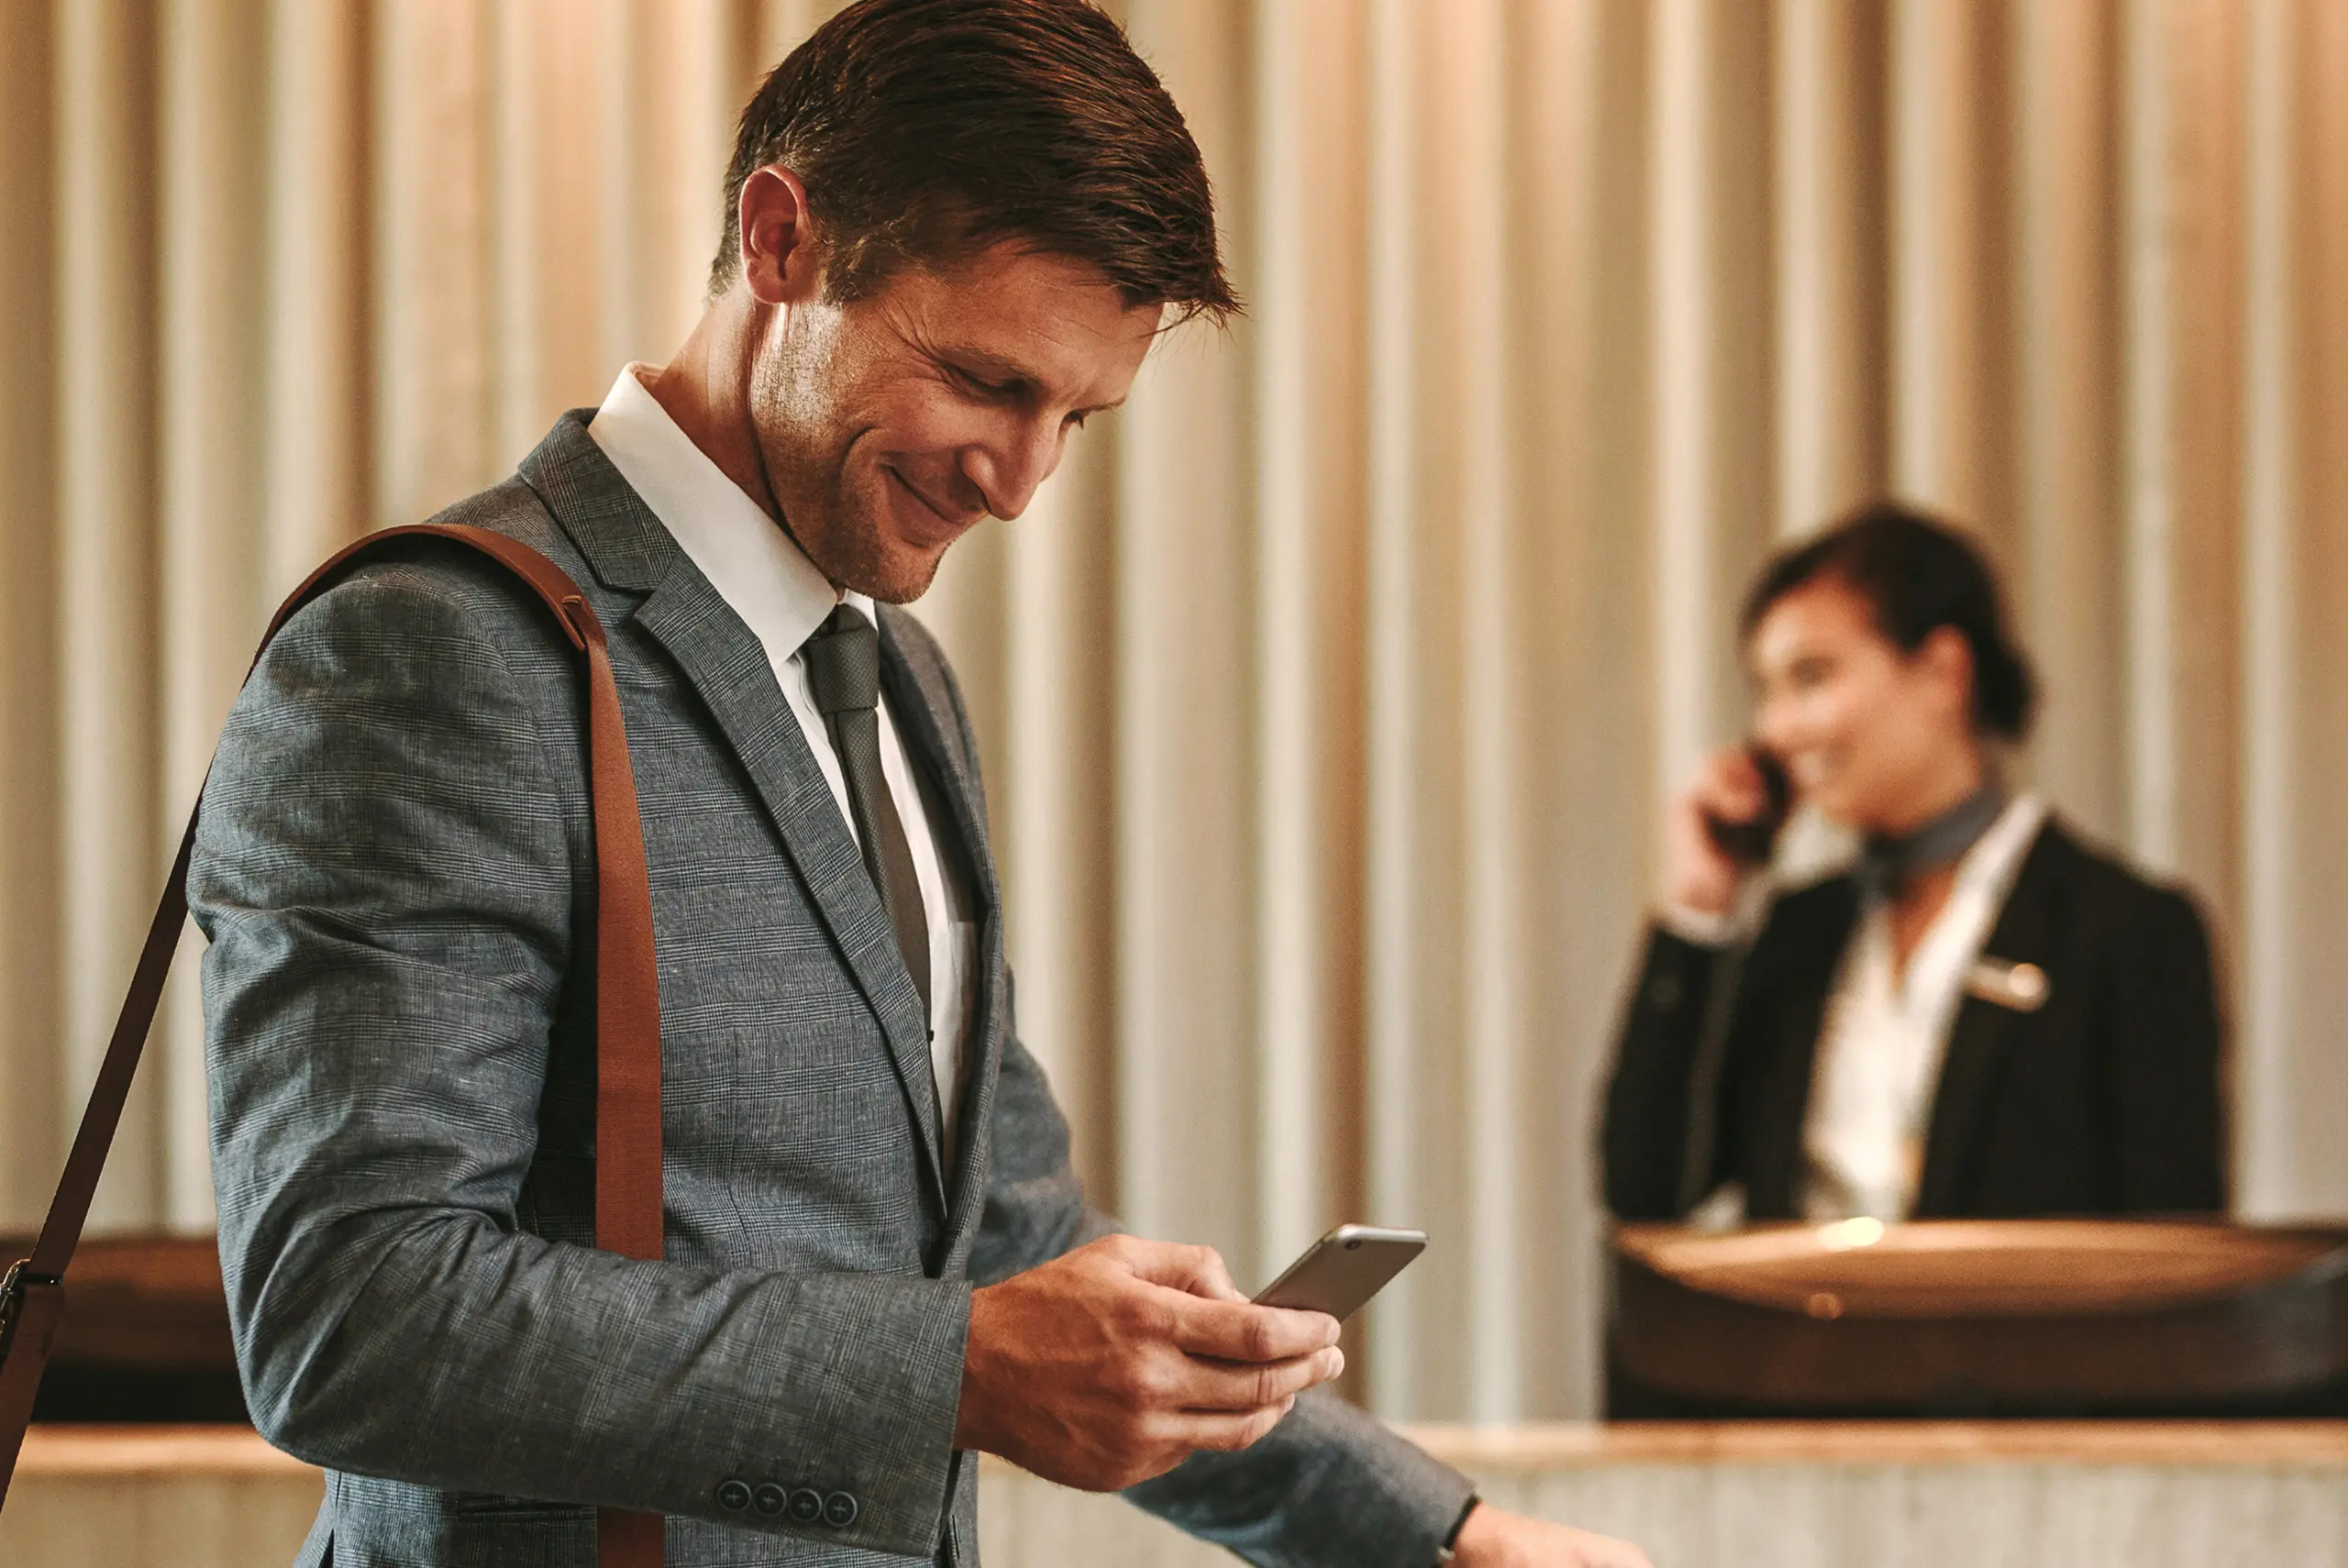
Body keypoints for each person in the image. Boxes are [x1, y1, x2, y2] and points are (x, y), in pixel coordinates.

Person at [193, 3, 1647, 1565]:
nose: (1020, 486)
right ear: (780, 241)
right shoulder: (436, 652)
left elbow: (997, 1235)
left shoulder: (896, 682)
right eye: (982, 381)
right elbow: (349, 1313)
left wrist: (1444, 1534)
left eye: (1075, 419)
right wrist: (965, 1366)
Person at [1603, 502, 2225, 1225]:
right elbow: (1645, 1191)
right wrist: (1700, 910)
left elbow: (2175, 1257)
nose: (1777, 729)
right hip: (1798, 1339)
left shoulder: (2123, 929)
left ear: (1942, 671)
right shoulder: (1801, 930)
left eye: (1811, 678)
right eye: (1765, 692)